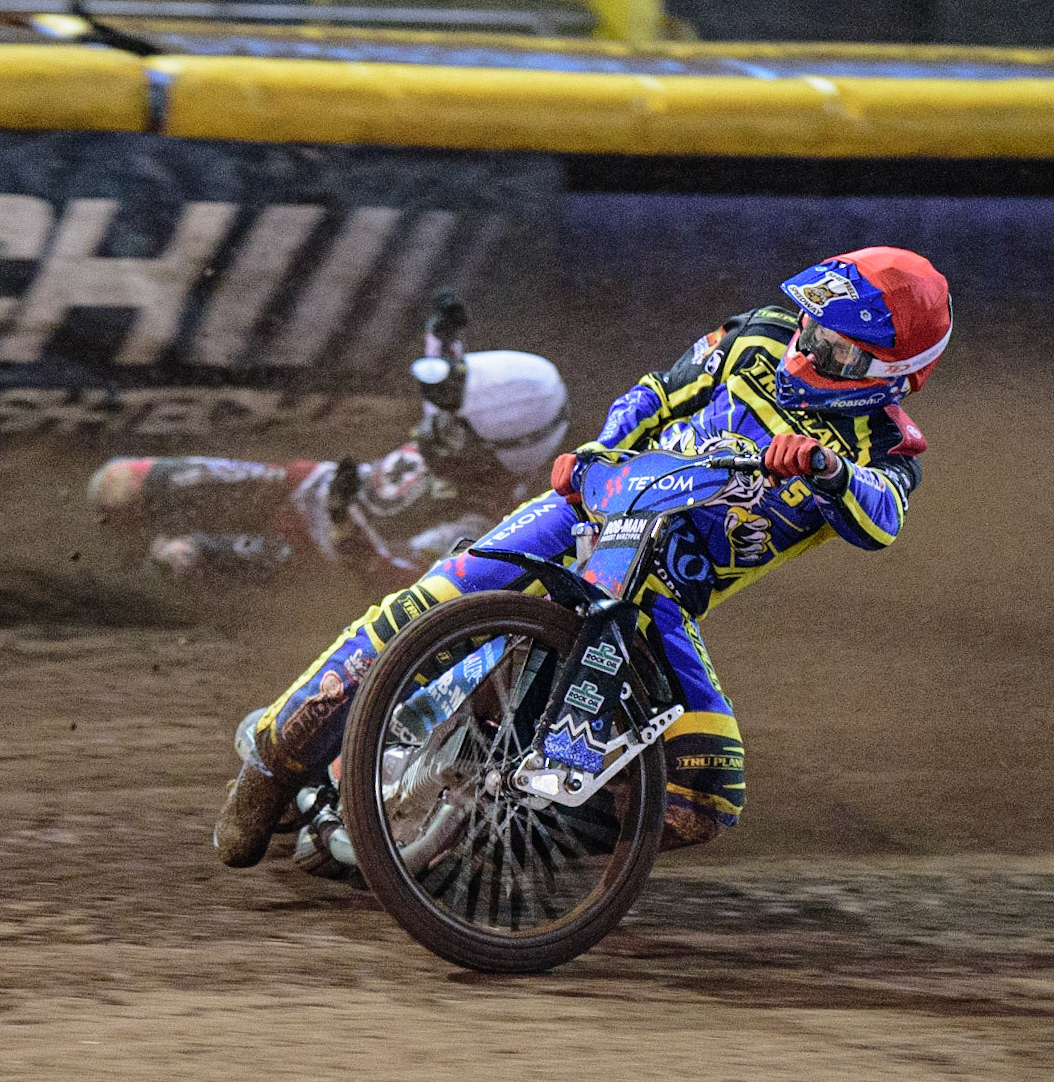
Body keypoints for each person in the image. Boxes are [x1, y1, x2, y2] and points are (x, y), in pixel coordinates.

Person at [215, 247, 952, 869]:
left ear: (894, 374)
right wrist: (600, 450)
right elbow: (655, 394)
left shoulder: (885, 451)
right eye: (813, 326)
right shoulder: (757, 335)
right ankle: (273, 759)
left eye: (837, 348)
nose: (810, 349)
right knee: (437, 599)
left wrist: (827, 470)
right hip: (593, 511)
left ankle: (486, 841)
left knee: (704, 795)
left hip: (660, 600)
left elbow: (880, 518)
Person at [89, 290, 569, 583]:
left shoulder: (479, 526)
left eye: (453, 426)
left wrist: (343, 525)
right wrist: (440, 334)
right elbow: (446, 384)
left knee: (174, 561)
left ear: (492, 453)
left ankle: (100, 602)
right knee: (119, 481)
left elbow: (398, 577)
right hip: (298, 484)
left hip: (305, 558)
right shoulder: (469, 425)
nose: (433, 427)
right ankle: (101, 550)